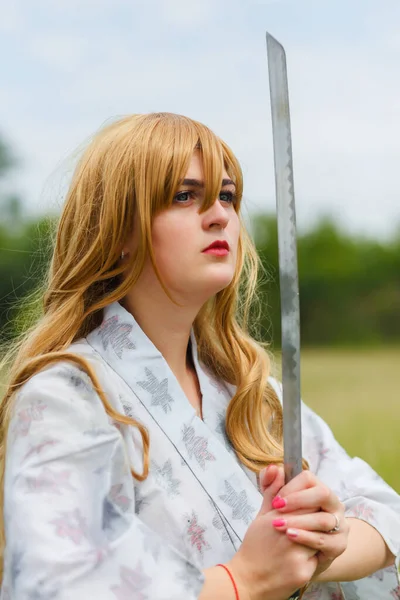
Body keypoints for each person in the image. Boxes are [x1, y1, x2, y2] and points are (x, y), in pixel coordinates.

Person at [0, 112, 399, 600]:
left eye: (227, 197)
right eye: (184, 196)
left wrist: (319, 542)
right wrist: (243, 580)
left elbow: (386, 513)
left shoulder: (251, 394)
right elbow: (54, 583)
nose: (220, 217)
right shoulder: (65, 397)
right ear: (118, 231)